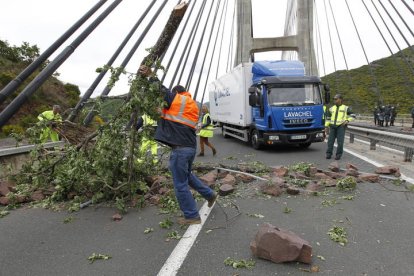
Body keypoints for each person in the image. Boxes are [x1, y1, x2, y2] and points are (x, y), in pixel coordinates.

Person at [138, 65, 217, 225]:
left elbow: (161, 90)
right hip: (190, 147)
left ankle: (192, 216)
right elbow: (171, 116)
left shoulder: (177, 99)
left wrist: (150, 75)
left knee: (180, 184)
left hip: (180, 149)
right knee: (187, 176)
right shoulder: (192, 105)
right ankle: (209, 194)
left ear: (176, 93)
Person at [325, 94, 354, 160]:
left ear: (340, 99)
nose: (334, 100)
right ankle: (328, 154)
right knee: (330, 141)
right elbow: (328, 118)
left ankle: (338, 155)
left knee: (340, 142)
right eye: (334, 99)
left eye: (336, 99)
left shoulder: (345, 108)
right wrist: (326, 126)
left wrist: (347, 120)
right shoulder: (331, 108)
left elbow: (353, 115)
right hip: (332, 126)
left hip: (340, 127)